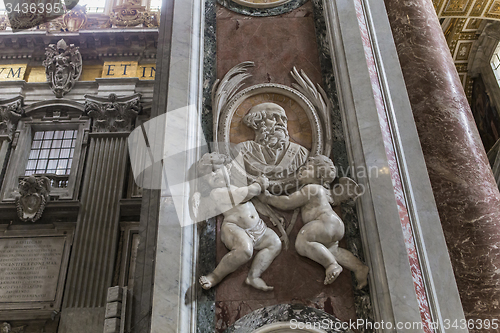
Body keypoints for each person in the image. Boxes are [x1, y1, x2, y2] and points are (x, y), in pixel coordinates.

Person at [259, 155, 369, 289]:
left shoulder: (311, 189)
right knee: (333, 250)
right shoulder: (325, 192)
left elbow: (288, 202)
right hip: (335, 225)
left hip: (324, 222)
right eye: (303, 168)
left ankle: (331, 265)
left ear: (320, 175)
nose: (302, 170)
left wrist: (268, 198)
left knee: (302, 241)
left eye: (308, 168)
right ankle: (359, 268)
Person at [198, 153, 282, 291]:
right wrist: (258, 186)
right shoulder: (217, 193)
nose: (213, 175)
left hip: (258, 227)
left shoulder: (234, 186)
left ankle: (254, 275)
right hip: (234, 228)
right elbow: (241, 196)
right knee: (245, 250)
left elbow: (253, 204)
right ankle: (215, 276)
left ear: (228, 168)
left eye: (215, 169)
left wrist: (271, 215)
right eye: (207, 175)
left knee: (275, 243)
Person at [234, 102, 309, 180]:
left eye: (284, 119)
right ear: (256, 123)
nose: (281, 123)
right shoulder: (241, 151)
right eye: (273, 118)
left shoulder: (301, 154)